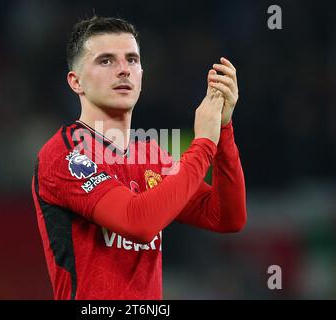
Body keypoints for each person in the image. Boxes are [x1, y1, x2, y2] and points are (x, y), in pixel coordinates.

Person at [31, 15, 246, 300]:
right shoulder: (65, 154)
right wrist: (204, 144)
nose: (123, 70)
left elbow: (226, 217)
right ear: (76, 82)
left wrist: (223, 129)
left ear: (142, 74)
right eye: (106, 61)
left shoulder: (150, 155)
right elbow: (138, 223)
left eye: (132, 60)